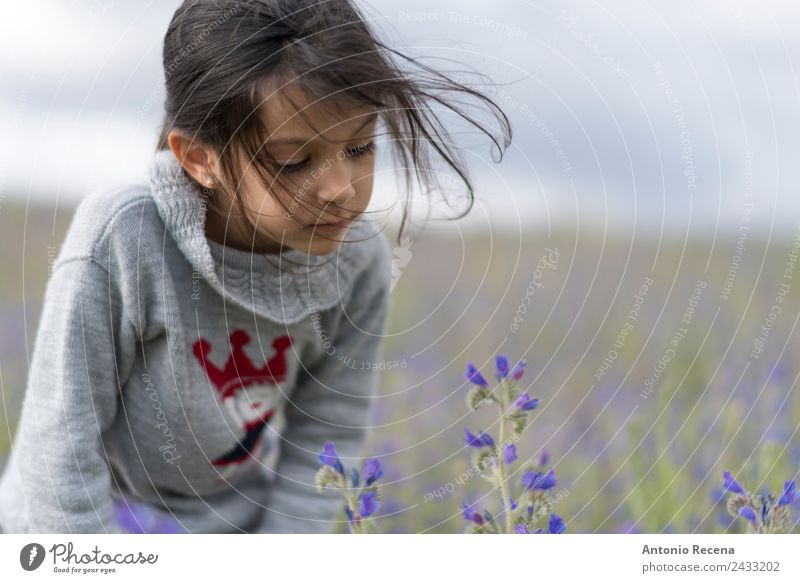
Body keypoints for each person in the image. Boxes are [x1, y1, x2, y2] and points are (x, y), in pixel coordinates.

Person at [0, 0, 511, 533]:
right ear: (199, 159)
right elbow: (59, 444)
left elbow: (327, 435)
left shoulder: (358, 262)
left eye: (360, 146)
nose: (341, 189)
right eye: (294, 162)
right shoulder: (125, 238)